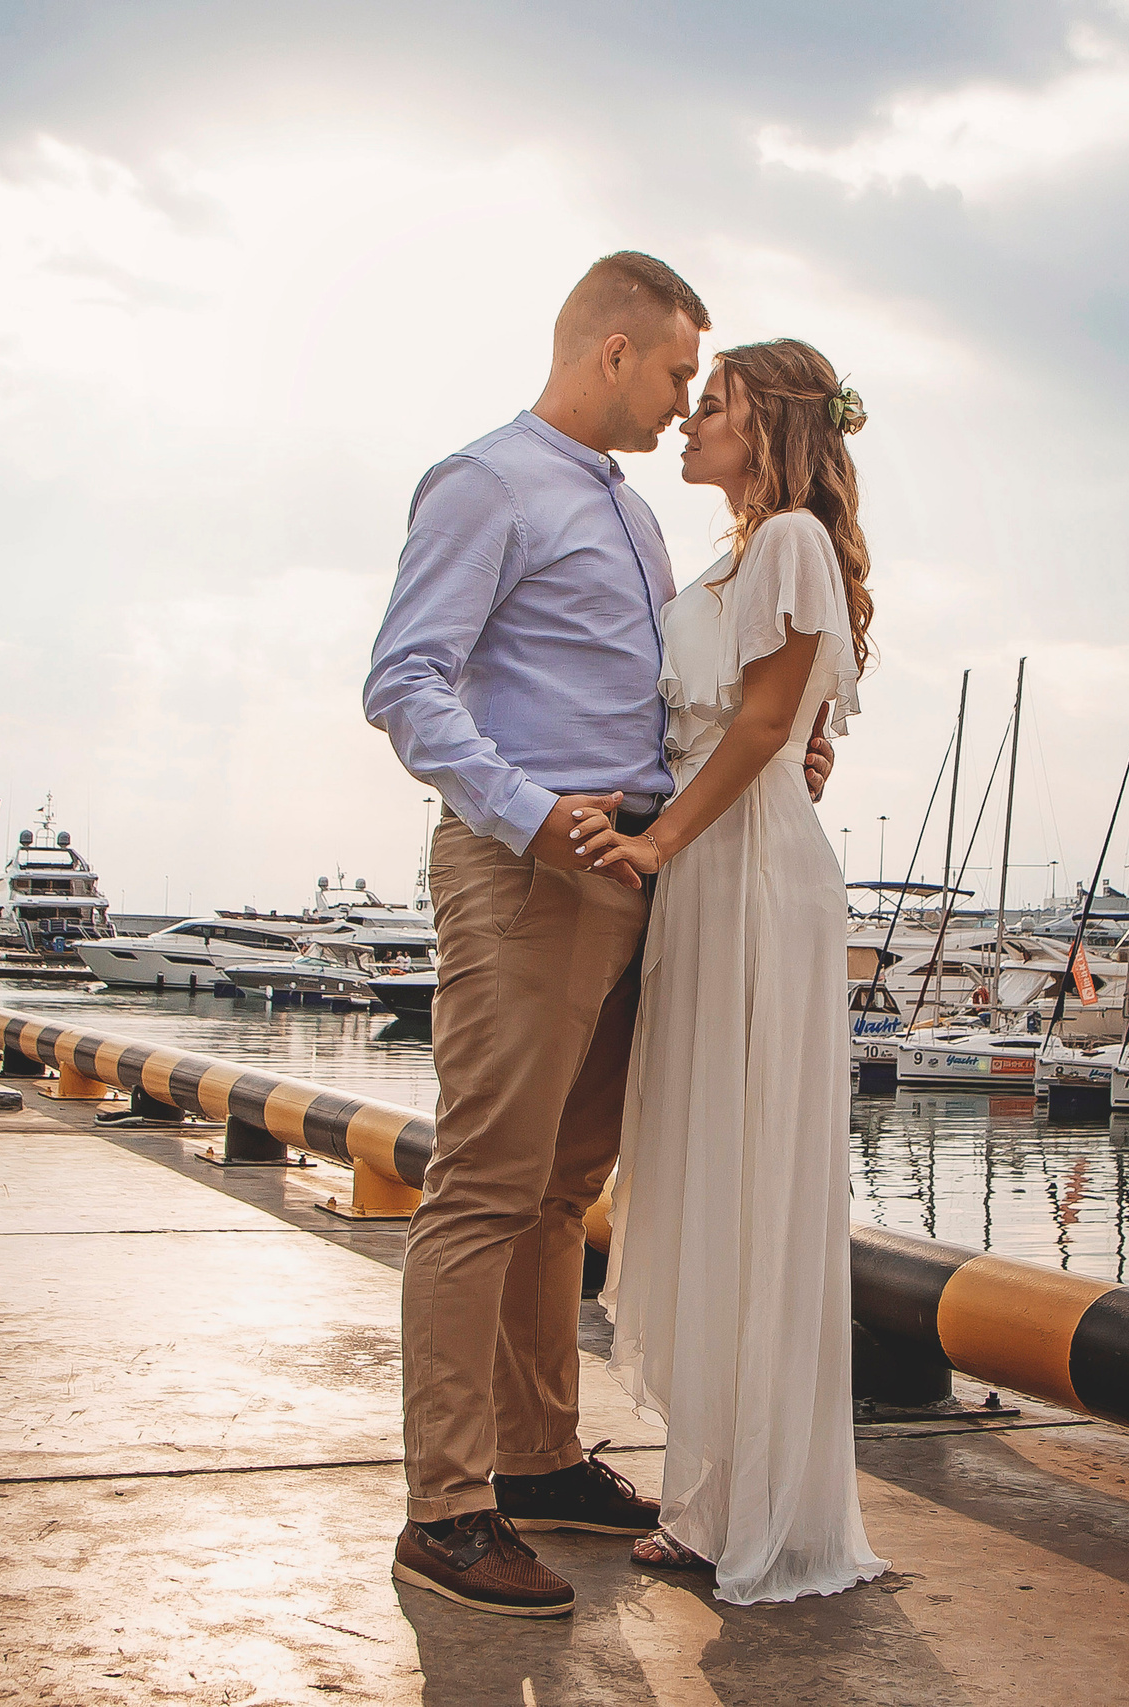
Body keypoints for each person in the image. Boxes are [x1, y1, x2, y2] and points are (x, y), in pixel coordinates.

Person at [364, 253, 833, 1619]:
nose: (691, 397)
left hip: (634, 866)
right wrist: (524, 811)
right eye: (683, 372)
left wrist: (761, 764)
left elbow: (674, 694)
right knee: (484, 1184)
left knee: (564, 1186)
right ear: (616, 351)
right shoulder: (488, 482)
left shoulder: (628, 510)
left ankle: (538, 1454)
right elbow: (405, 681)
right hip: (534, 871)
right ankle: (446, 1509)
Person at [575, 337, 887, 1604]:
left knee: (749, 1175)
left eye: (715, 404)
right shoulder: (740, 553)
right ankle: (715, 1496)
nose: (692, 420)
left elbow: (767, 724)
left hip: (751, 882)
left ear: (769, 430)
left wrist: (654, 838)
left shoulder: (792, 541)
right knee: (712, 1173)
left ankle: (759, 1511)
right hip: (721, 876)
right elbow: (773, 724)